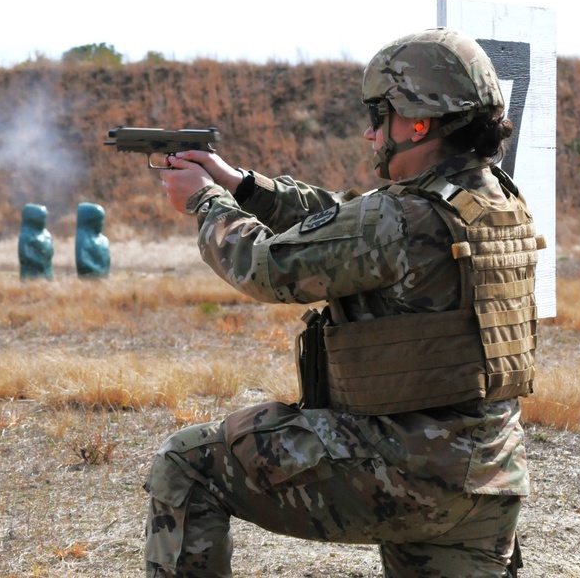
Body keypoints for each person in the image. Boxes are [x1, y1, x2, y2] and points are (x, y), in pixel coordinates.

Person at [146, 28, 544, 578]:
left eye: (380, 116)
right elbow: (342, 217)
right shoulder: (499, 203)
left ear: (418, 121)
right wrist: (243, 186)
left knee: (187, 464)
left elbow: (262, 265)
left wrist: (206, 203)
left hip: (401, 472)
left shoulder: (398, 219)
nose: (369, 132)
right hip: (488, 475)